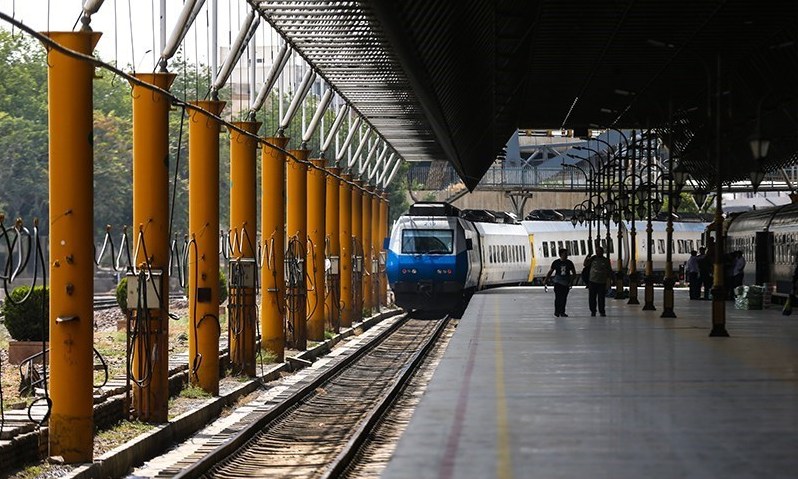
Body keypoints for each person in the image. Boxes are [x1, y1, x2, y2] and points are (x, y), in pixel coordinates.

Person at [543, 248, 576, 317]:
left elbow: (574, 273)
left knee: (564, 298)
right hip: (558, 282)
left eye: (567, 254)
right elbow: (550, 271)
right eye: (565, 254)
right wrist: (546, 279)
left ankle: (562, 312)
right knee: (558, 297)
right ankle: (557, 311)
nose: (566, 255)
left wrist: (571, 282)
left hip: (566, 282)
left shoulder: (569, 263)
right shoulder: (556, 263)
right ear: (561, 254)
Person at [587, 246, 613, 316]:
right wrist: (588, 256)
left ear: (602, 252)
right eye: (596, 251)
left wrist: (611, 280)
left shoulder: (606, 260)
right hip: (592, 281)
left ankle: (602, 311)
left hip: (602, 282)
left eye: (599, 251)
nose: (597, 253)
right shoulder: (593, 259)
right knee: (592, 297)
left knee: (601, 298)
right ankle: (593, 311)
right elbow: (585, 264)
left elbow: (609, 270)